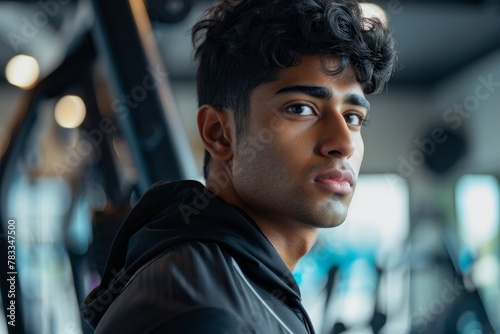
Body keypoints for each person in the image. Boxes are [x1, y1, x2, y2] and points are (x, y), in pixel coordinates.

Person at [82, 0, 397, 332]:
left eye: (352, 117)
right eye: (301, 109)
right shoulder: (202, 310)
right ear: (220, 134)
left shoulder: (240, 285)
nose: (344, 143)